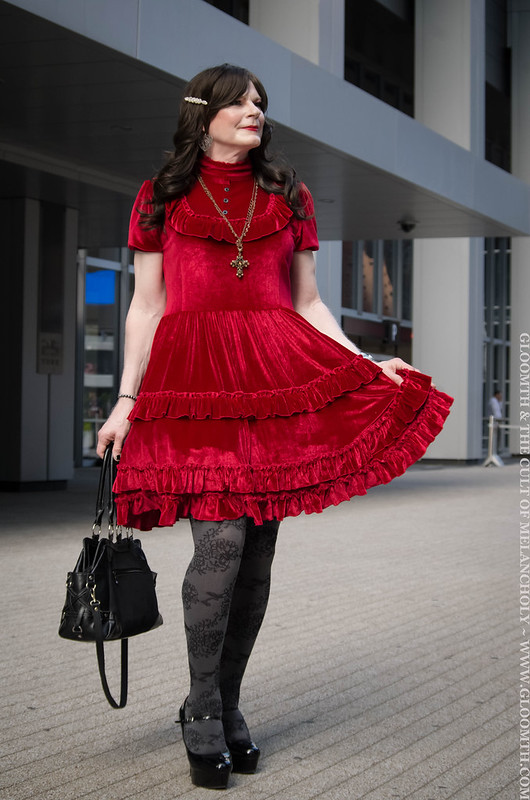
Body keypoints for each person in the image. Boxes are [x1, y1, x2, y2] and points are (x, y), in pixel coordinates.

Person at [97, 64, 452, 790]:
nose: (255, 112)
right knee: (220, 542)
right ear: (204, 114)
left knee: (255, 556)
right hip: (194, 381)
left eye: (261, 102)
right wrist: (125, 400)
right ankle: (200, 708)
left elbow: (310, 303)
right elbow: (145, 306)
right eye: (241, 103)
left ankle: (227, 705)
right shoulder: (160, 196)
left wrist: (363, 360)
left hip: (271, 376)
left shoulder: (288, 194)